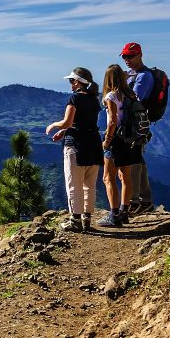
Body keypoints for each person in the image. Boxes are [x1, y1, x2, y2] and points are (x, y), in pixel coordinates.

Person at [46, 68, 102, 232]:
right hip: (93, 144)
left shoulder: (75, 98)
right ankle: (87, 220)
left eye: (71, 81)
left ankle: (75, 221)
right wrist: (65, 131)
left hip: (76, 145)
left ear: (78, 82)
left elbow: (67, 122)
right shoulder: (94, 99)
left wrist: (54, 125)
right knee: (89, 184)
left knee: (74, 184)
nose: (70, 84)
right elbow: (85, 123)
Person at [98, 64, 140, 228]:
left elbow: (113, 120)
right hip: (129, 139)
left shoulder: (111, 96)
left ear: (108, 78)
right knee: (125, 177)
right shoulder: (131, 94)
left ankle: (114, 215)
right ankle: (124, 212)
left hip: (116, 139)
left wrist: (107, 141)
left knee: (108, 178)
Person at [120, 42, 154, 214]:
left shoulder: (144, 77)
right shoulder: (133, 75)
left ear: (140, 55)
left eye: (130, 56)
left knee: (132, 161)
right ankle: (145, 200)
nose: (126, 59)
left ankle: (134, 203)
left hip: (135, 126)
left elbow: (135, 99)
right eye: (124, 56)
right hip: (133, 125)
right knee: (138, 160)